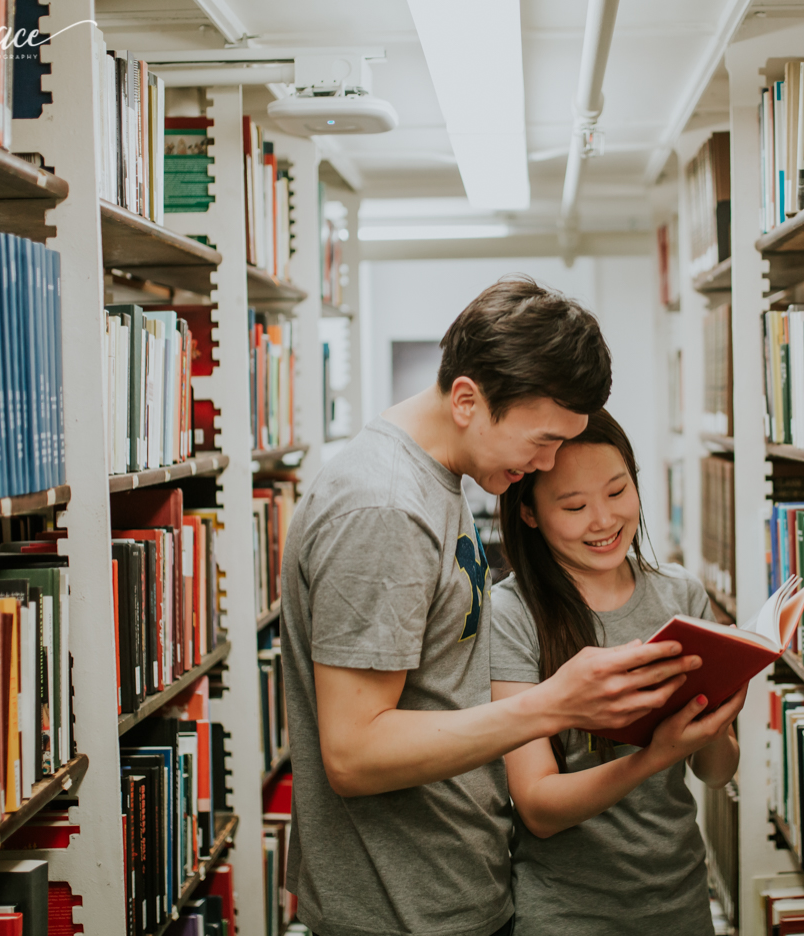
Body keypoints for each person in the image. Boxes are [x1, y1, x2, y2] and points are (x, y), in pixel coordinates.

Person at [278, 277, 703, 936]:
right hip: (402, 914)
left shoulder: (438, 482)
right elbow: (354, 752)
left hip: (450, 896)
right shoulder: (384, 507)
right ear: (468, 400)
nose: (549, 463)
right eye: (542, 441)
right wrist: (558, 703)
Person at [491, 408, 745, 936]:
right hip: (566, 915)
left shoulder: (681, 595)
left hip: (681, 900)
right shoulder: (511, 616)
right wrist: (655, 757)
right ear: (530, 513)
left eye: (617, 490)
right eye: (575, 505)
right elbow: (537, 807)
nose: (604, 520)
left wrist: (715, 723)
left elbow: (715, 774)